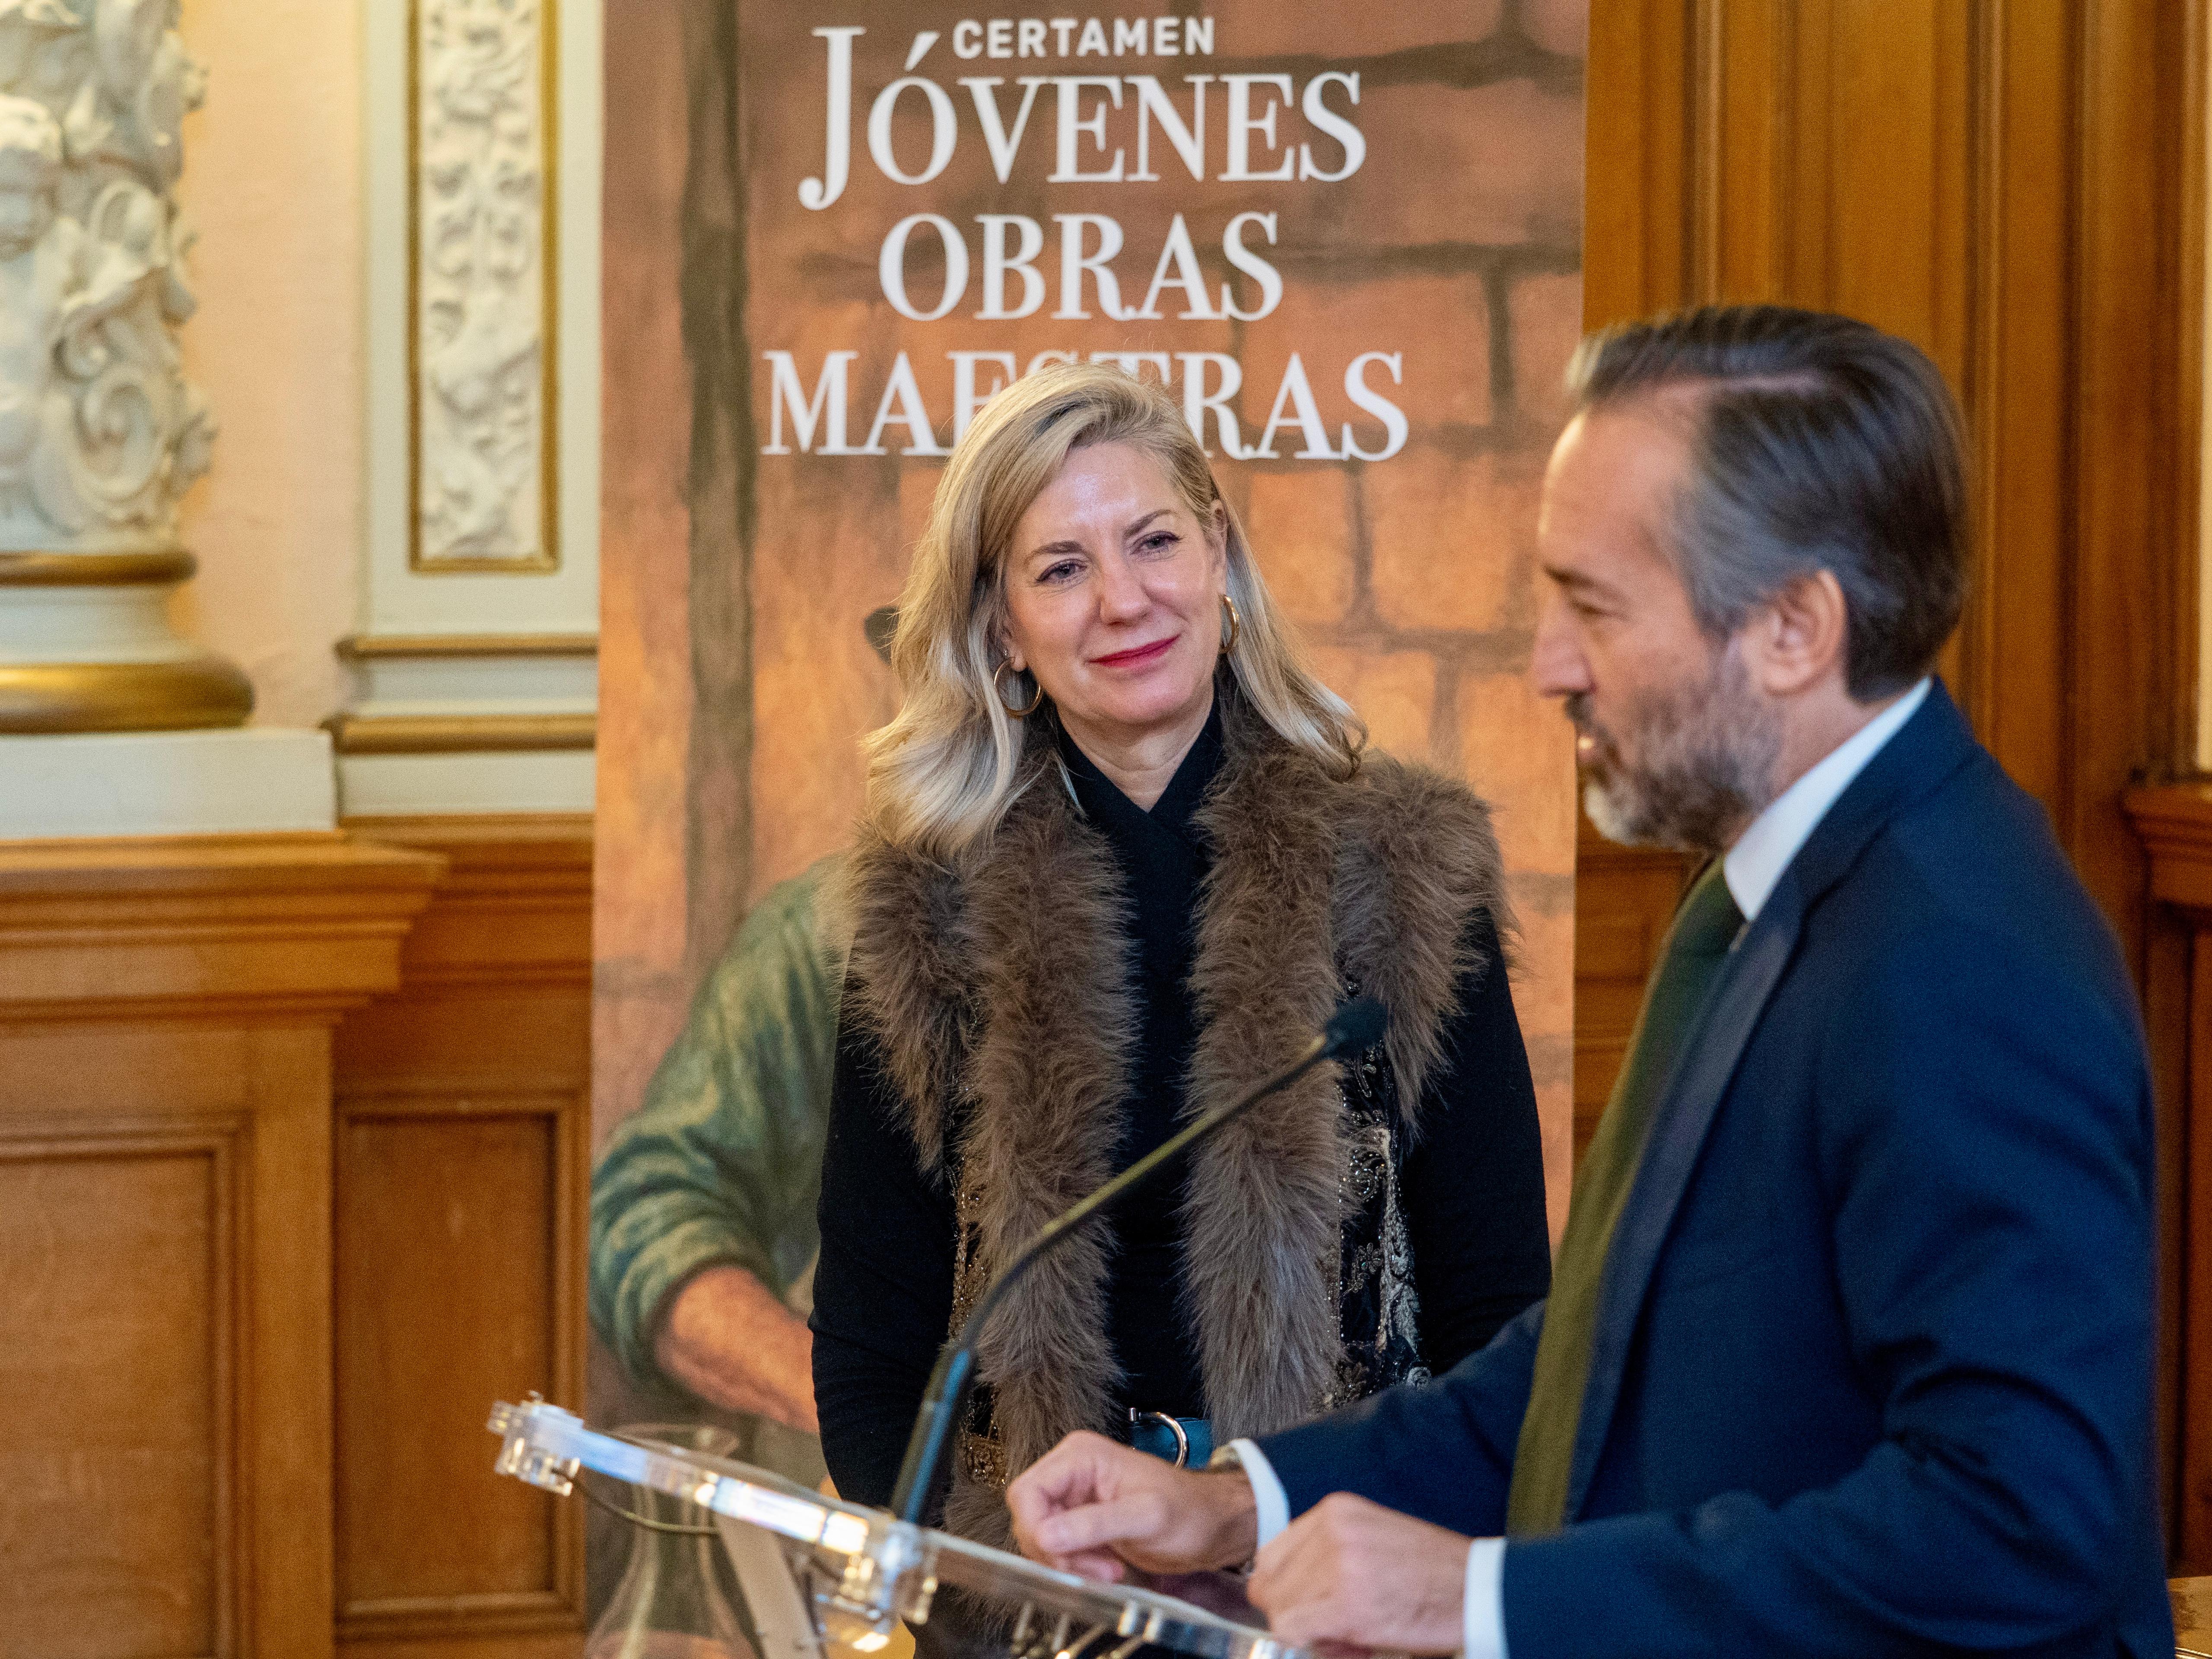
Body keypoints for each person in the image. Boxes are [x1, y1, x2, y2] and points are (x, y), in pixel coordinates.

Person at [1004, 305, 2174, 1659]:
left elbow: (2021, 1526)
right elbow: (1603, 1362)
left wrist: (1480, 1600)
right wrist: (1237, 1505)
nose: (1548, 664)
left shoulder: (1959, 958)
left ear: (1793, 628)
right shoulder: (1762, 889)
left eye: (1595, 606)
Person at [810, 362, 1553, 1563]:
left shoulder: (1405, 869)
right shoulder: (925, 912)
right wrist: (1005, 1571)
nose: (1124, 600)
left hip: (1335, 1578)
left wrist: (1362, 1558)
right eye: (1062, 569)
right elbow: (870, 1350)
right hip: (1031, 1589)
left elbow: (1499, 1313)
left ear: (1220, 560)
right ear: (1002, 629)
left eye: (1154, 542)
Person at [588, 607, 902, 1440]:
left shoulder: (1213, 927)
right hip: (872, 1496)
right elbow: (648, 1215)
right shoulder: (821, 937)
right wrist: (849, 1409)